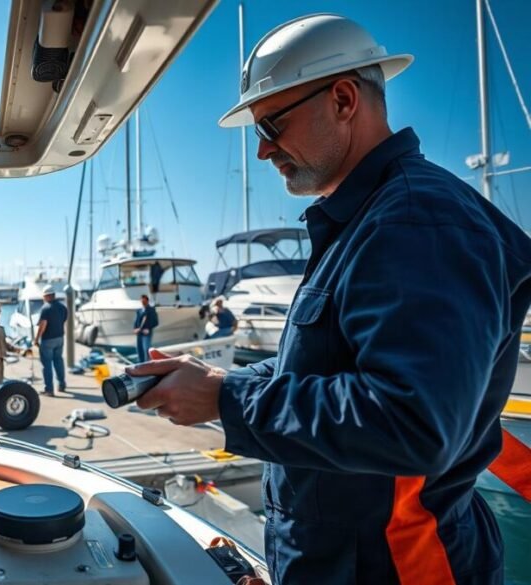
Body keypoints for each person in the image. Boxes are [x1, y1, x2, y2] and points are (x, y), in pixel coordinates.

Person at [127, 14, 531, 585]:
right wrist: (213, 380)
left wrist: (227, 400)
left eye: (272, 125)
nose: (264, 151)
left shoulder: (418, 221)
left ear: (343, 99)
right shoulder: (373, 219)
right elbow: (329, 363)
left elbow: (412, 422)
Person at [34, 285, 67, 395]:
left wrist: (36, 339)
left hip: (48, 340)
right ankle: (62, 385)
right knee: (58, 361)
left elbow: (43, 325)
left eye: (44, 297)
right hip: (60, 338)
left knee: (46, 364)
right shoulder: (63, 307)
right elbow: (63, 320)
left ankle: (49, 389)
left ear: (47, 296)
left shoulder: (45, 308)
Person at [133, 294, 158, 363]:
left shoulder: (151, 310)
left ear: (147, 301)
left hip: (147, 333)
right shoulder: (139, 311)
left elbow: (155, 322)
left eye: (144, 300)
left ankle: (147, 364)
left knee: (146, 349)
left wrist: (148, 329)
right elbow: (136, 321)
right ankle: (141, 364)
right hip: (139, 333)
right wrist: (135, 329)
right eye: (141, 300)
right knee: (139, 349)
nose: (142, 302)